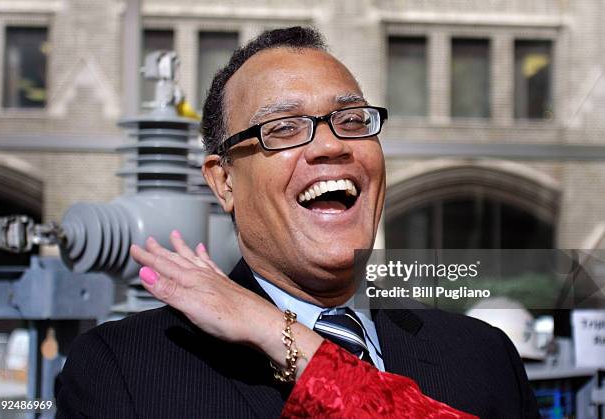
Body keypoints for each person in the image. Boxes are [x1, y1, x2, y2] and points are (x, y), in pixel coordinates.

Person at [55, 26, 538, 418]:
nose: (331, 145)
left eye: (352, 120)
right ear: (223, 182)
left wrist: (277, 332)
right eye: (282, 128)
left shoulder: (483, 356)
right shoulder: (125, 369)